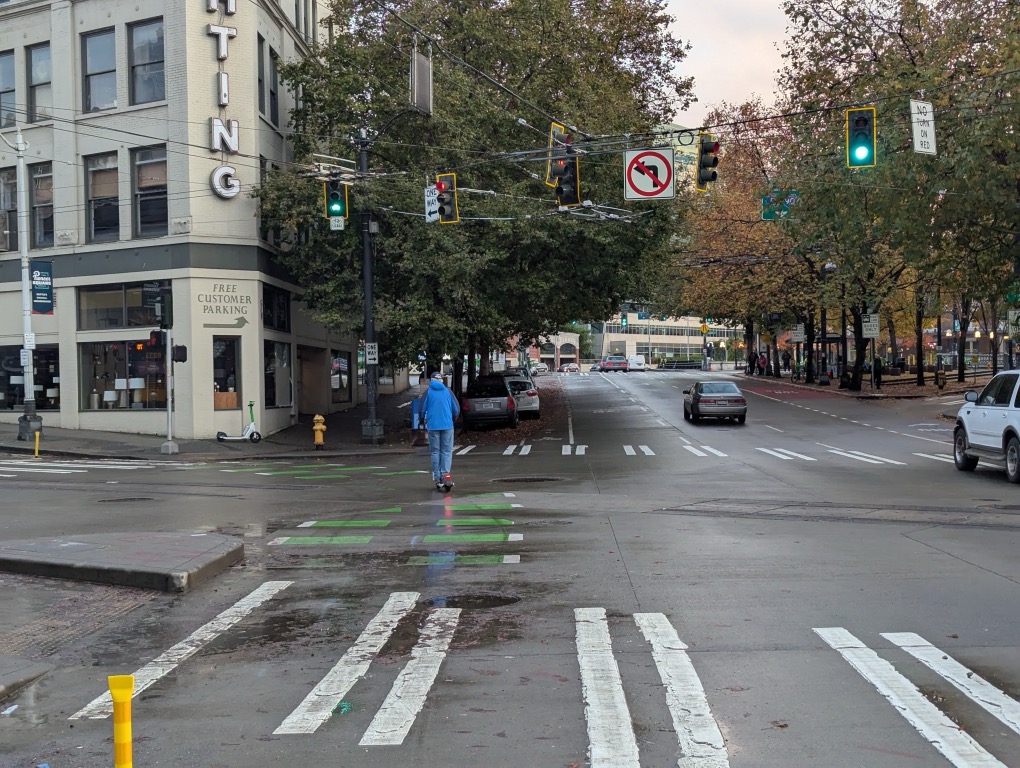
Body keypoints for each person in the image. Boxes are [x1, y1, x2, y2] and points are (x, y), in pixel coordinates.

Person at [419, 372, 460, 490]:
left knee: (435, 451)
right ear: (441, 380)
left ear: (431, 380)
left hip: (433, 426)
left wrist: (422, 420)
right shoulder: (448, 391)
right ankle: (446, 475)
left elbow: (422, 409)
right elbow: (456, 409)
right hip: (447, 425)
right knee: (447, 451)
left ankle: (437, 477)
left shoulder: (428, 392)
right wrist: (453, 419)